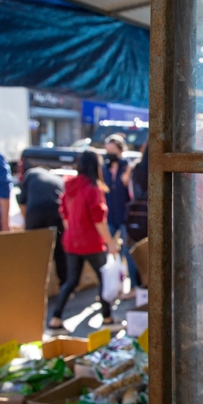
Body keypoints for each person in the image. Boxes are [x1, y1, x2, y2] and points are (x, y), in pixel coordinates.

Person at [48, 150, 120, 330]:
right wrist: (110, 243)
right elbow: (99, 220)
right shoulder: (93, 188)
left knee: (71, 281)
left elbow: (64, 215)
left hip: (72, 241)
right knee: (105, 279)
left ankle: (55, 318)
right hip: (92, 243)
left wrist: (73, 233)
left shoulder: (70, 186)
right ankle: (107, 318)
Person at [17, 166, 67, 285]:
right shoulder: (58, 179)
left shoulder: (31, 174)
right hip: (56, 213)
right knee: (60, 250)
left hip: (36, 213)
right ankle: (65, 285)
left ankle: (33, 285)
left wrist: (27, 224)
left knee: (34, 252)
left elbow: (22, 203)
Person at [102, 134, 138, 297]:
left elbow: (131, 192)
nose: (109, 154)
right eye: (107, 150)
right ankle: (107, 287)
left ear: (120, 151)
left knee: (127, 252)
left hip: (124, 216)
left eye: (112, 151)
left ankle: (132, 286)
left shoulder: (127, 167)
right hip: (109, 216)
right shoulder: (104, 169)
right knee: (105, 251)